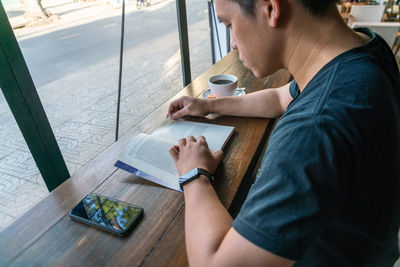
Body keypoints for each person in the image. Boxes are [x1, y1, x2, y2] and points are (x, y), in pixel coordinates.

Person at [166, 0, 400, 266]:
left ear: (271, 8)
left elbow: (214, 263)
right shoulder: (362, 51)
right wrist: (209, 105)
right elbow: (280, 98)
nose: (232, 42)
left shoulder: (316, 125)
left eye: (230, 24)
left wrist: (194, 174)